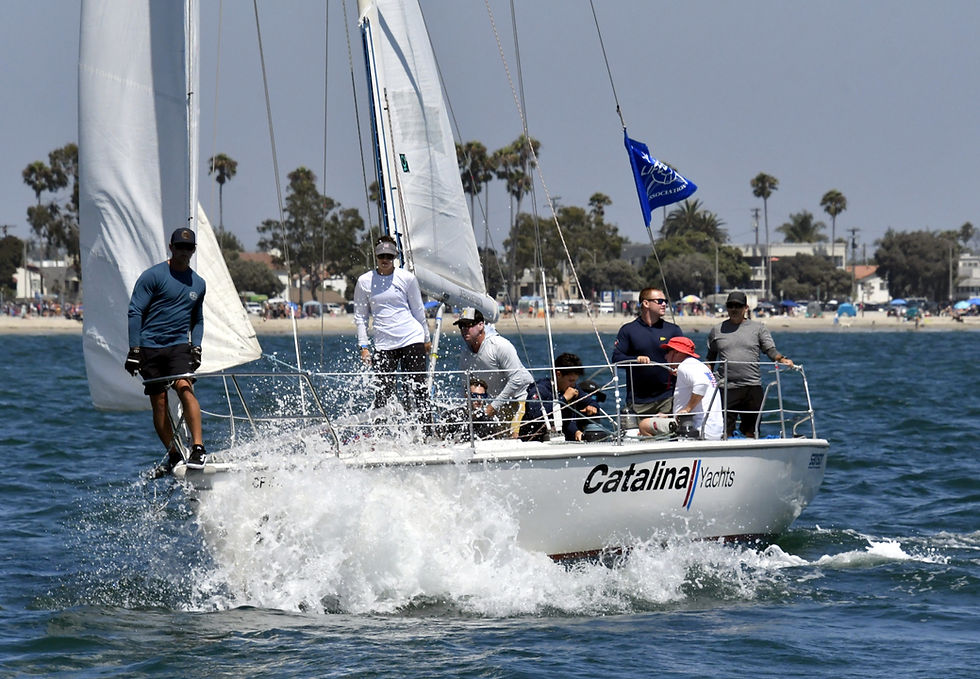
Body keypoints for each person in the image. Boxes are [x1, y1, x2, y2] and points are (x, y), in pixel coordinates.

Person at [126, 227, 207, 476]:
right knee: (159, 403)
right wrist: (134, 349)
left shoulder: (199, 284)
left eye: (189, 247)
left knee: (184, 386)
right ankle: (173, 454)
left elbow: (198, 320)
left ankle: (198, 447)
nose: (185, 251)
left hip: (178, 347)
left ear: (193, 250)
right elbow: (135, 311)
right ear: (171, 247)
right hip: (150, 347)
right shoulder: (153, 276)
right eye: (180, 247)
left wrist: (196, 347)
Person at [353, 235, 432, 413]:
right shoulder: (364, 281)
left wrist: (426, 338)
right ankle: (379, 435)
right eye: (382, 256)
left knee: (419, 390)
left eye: (389, 256)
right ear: (376, 256)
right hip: (383, 344)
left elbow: (418, 310)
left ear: (395, 257)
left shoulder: (407, 278)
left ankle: (426, 433)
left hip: (411, 338)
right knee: (382, 393)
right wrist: (363, 346)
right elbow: (361, 317)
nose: (385, 260)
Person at [706, 291, 794, 437]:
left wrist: (781, 359)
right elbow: (710, 360)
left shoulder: (758, 328)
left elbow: (770, 350)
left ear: (745, 308)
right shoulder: (717, 330)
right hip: (726, 388)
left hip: (752, 387)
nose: (734, 309)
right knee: (724, 433)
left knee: (751, 432)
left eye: (738, 306)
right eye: (730, 305)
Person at [455, 307, 533, 437]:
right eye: (461, 326)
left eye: (468, 325)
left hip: (521, 398)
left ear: (481, 325)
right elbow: (466, 387)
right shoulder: (465, 353)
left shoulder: (499, 345)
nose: (464, 329)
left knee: (514, 437)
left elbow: (518, 378)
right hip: (498, 404)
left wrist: (493, 406)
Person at [611, 287, 683, 415]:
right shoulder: (628, 330)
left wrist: (680, 368)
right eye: (660, 301)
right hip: (638, 401)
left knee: (666, 433)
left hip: (668, 397)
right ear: (645, 303)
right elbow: (616, 359)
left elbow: (686, 357)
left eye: (665, 301)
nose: (664, 304)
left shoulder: (673, 330)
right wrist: (635, 359)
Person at [640, 336, 723, 440]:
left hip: (697, 428)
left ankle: (659, 455)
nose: (665, 356)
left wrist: (686, 410)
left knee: (644, 425)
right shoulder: (698, 366)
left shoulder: (685, 366)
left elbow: (701, 385)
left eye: (667, 351)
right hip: (713, 430)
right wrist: (671, 415)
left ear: (677, 352)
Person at [519, 352, 600, 442]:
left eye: (575, 381)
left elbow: (590, 401)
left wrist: (592, 407)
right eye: (570, 380)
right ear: (558, 375)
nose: (573, 384)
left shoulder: (573, 388)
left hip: (562, 437)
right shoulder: (540, 389)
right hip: (533, 441)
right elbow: (534, 414)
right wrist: (564, 399)